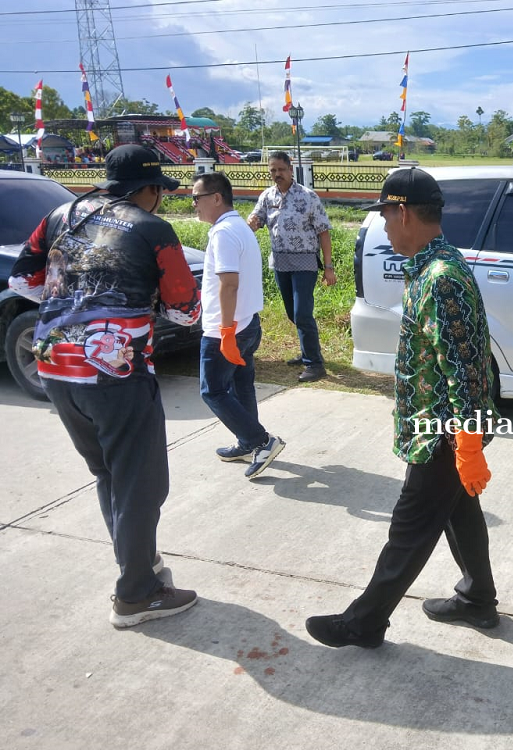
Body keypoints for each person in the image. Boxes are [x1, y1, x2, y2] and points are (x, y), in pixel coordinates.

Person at [7, 144, 201, 627]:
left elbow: (23, 282)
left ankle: (142, 565)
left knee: (109, 474)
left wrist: (70, 303)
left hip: (53, 365)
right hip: (116, 372)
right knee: (142, 483)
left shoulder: (60, 213)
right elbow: (185, 310)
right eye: (161, 190)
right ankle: (135, 594)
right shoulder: (153, 229)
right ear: (149, 190)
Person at [305, 168, 499, 649]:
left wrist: (467, 443)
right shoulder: (436, 266)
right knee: (459, 512)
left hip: (445, 431)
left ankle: (364, 622)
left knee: (409, 528)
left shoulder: (441, 278)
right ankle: (478, 598)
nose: (385, 227)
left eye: (386, 215)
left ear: (404, 212)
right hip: (446, 426)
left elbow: (465, 367)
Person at [192, 172, 285, 479]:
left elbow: (229, 284)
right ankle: (248, 442)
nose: (194, 205)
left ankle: (262, 441)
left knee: (213, 391)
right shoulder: (239, 227)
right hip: (247, 323)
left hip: (228, 328)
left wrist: (226, 331)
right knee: (241, 385)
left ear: (216, 197)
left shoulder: (223, 233)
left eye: (197, 198)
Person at [247, 151, 336, 383]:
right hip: (280, 263)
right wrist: (248, 226)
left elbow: (323, 232)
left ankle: (315, 365)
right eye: (273, 171)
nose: (277, 174)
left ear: (291, 168)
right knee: (291, 312)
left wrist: (329, 267)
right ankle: (308, 350)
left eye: (281, 170)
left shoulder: (308, 197)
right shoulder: (267, 197)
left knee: (302, 312)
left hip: (305, 262)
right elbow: (255, 221)